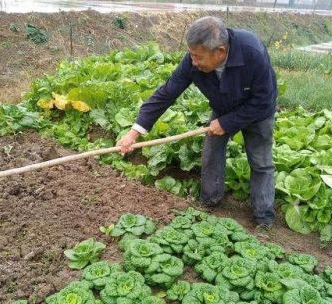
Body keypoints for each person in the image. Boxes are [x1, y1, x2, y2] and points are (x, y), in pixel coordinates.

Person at [117, 16, 277, 231]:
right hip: (223, 106)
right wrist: (134, 133)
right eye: (191, 55)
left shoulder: (252, 52)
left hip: (257, 111)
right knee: (211, 153)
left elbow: (263, 100)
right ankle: (210, 201)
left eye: (198, 57)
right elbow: (167, 93)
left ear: (219, 52)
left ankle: (264, 218)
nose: (194, 62)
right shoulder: (193, 61)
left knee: (261, 161)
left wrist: (227, 122)